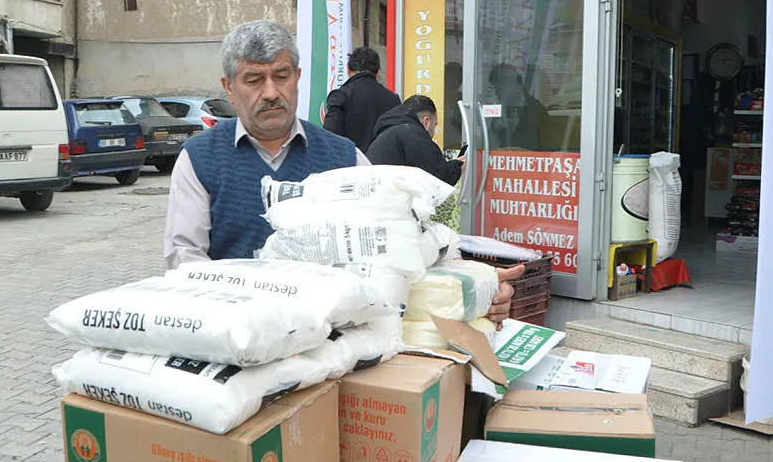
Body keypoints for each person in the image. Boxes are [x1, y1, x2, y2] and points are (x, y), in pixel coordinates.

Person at [164, 20, 521, 325]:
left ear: (297, 77)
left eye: (281, 76)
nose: (271, 92)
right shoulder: (199, 158)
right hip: (240, 332)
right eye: (253, 80)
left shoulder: (343, 155)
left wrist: (484, 284)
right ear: (229, 87)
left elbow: (405, 240)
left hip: (334, 338)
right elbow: (186, 260)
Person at [367, 95, 464, 186]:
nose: (433, 133)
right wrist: (459, 166)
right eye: (434, 125)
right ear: (426, 122)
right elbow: (438, 177)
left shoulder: (390, 131)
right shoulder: (412, 132)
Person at [322, 47, 401, 151]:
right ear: (377, 73)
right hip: (383, 164)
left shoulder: (340, 96)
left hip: (351, 163)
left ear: (348, 70)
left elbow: (329, 137)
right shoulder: (393, 100)